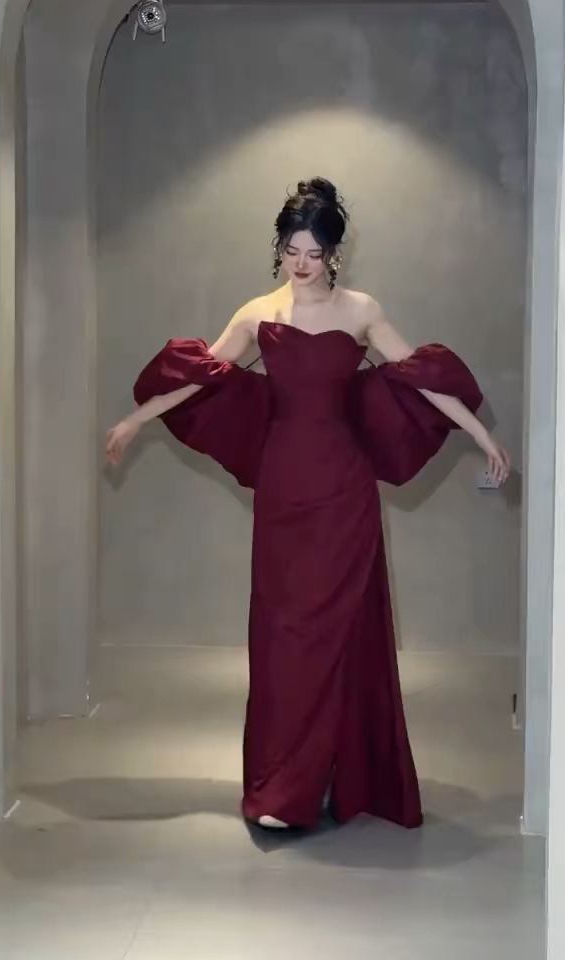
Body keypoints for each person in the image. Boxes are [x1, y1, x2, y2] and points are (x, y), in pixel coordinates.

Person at [106, 177, 510, 831]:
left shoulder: (362, 311)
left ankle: (337, 776)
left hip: (345, 490)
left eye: (313, 253)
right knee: (283, 637)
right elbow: (200, 376)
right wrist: (136, 419)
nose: (301, 264)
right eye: (291, 251)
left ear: (333, 254)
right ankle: (283, 787)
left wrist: (481, 433)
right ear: (279, 249)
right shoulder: (257, 313)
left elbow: (423, 379)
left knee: (343, 631)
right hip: (284, 489)